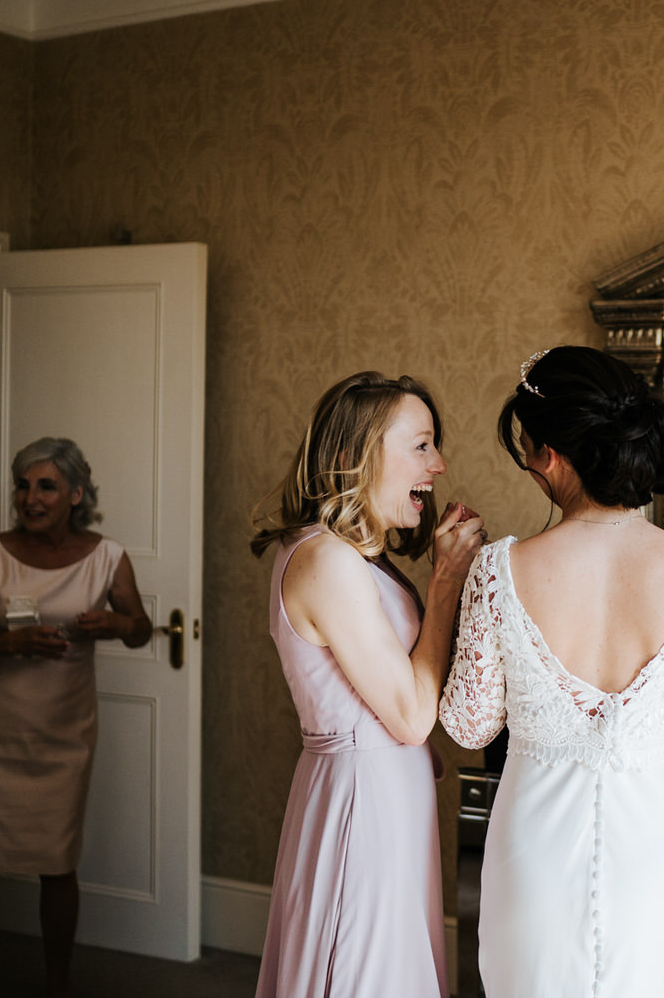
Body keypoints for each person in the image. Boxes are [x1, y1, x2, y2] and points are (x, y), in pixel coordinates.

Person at [440, 345, 664, 998]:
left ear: (553, 457)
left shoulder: (497, 572)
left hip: (531, 861)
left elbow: (469, 723)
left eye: (529, 450)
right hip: (654, 863)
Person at [249, 371, 484, 998]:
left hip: (386, 790)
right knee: (362, 965)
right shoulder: (325, 559)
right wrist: (444, 586)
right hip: (362, 801)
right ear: (354, 456)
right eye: (421, 445)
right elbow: (409, 717)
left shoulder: (356, 559)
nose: (437, 465)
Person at [0, 436, 153, 998]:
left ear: (76, 494)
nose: (30, 498)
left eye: (46, 486)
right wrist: (9, 643)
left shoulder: (108, 557)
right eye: (23, 485)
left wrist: (118, 626)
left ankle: (58, 983)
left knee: (58, 862)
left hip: (64, 734)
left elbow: (141, 629)